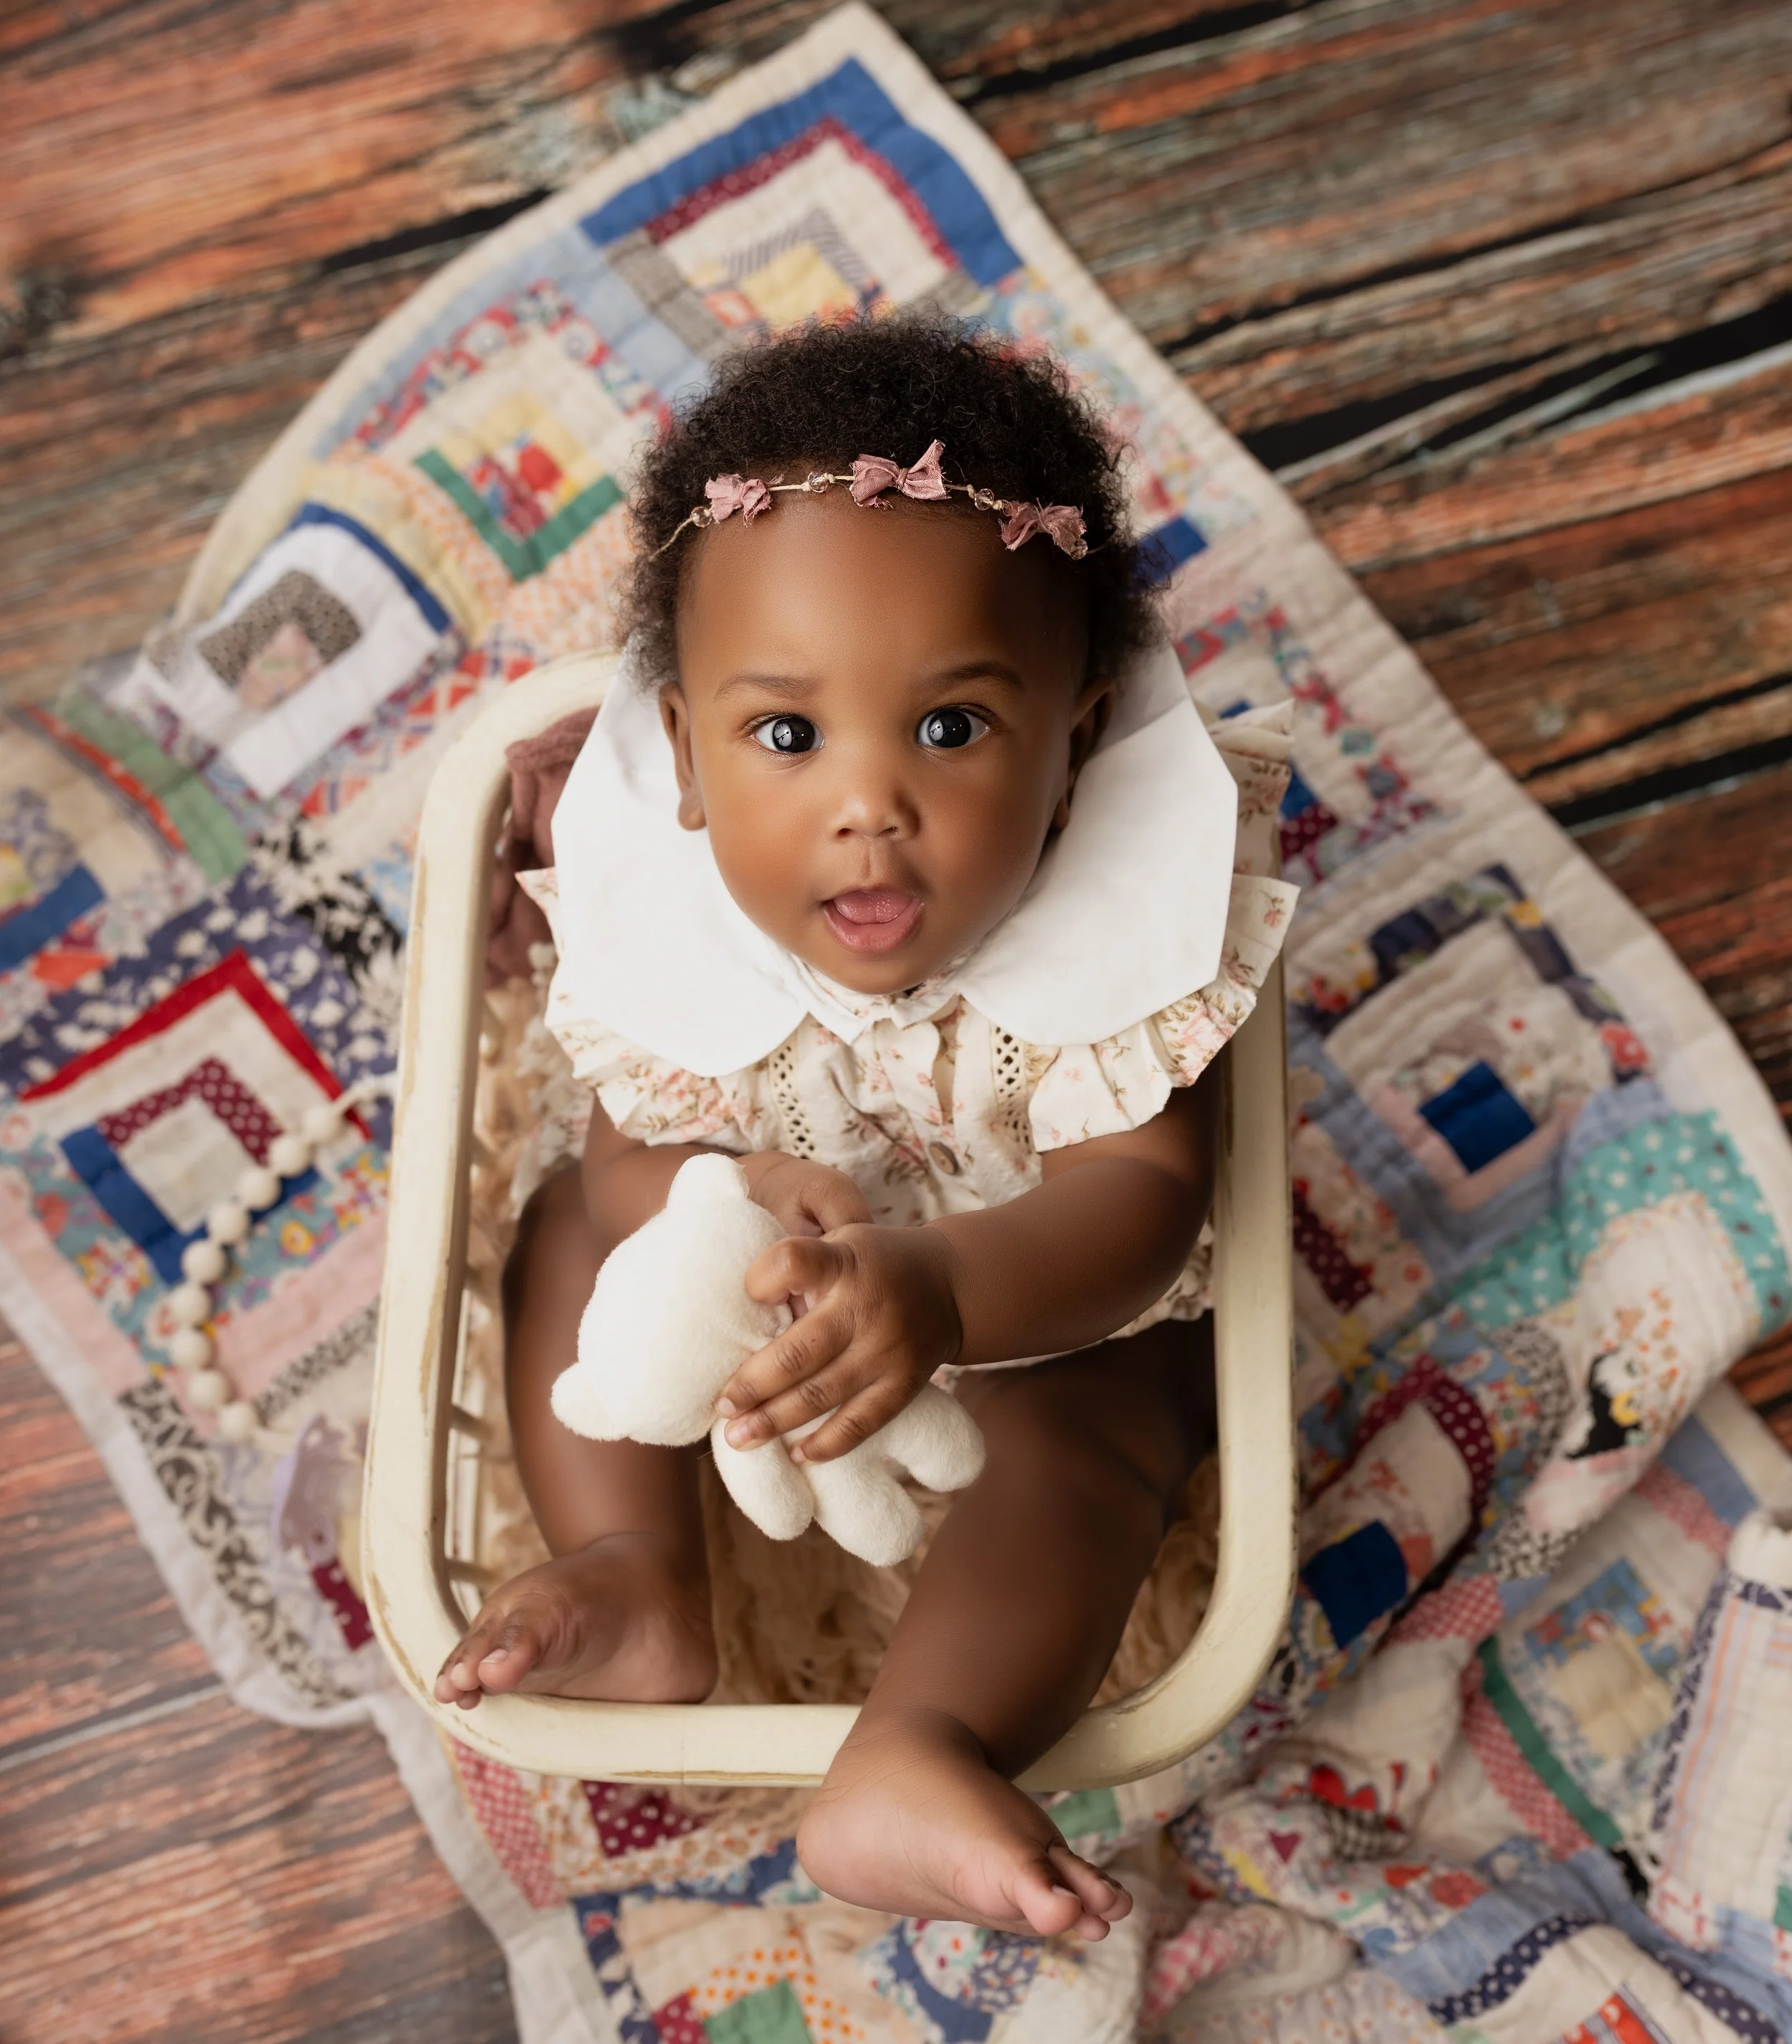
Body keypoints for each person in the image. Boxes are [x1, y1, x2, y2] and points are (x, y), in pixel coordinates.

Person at [434, 316, 1295, 1941]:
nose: (865, 802)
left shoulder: (1106, 948)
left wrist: (950, 1290)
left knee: (1115, 1420)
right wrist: (707, 1190)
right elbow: (630, 1160)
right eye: (784, 735)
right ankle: (637, 1569)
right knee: (563, 1226)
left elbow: (1145, 1197)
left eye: (954, 727)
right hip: (755, 1298)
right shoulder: (680, 924)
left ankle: (916, 1744)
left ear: (1076, 740)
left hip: (1034, 1313)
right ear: (683, 752)